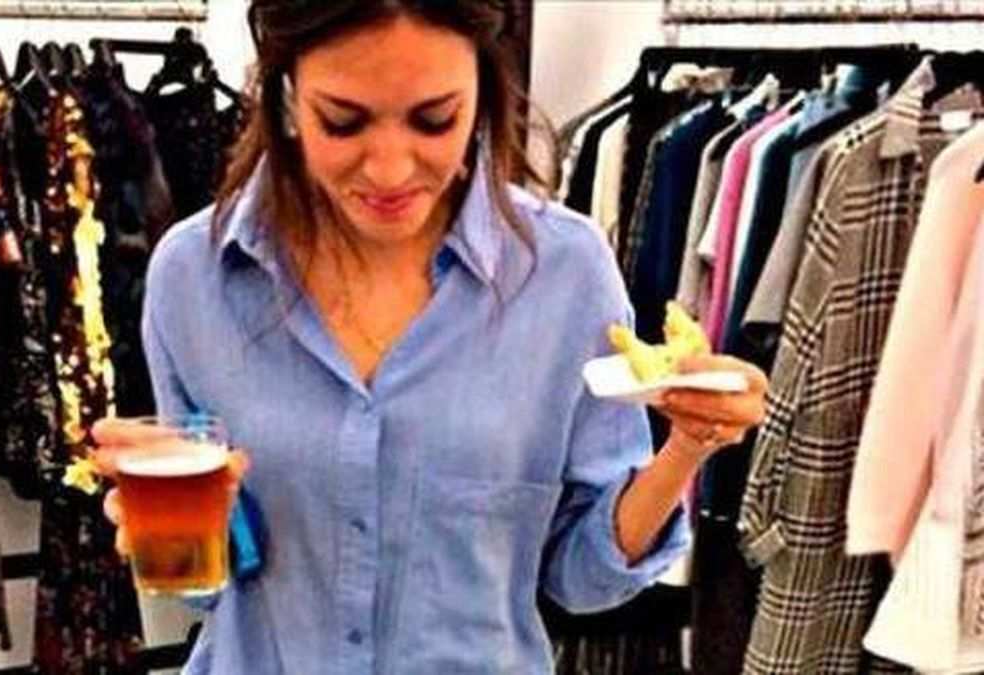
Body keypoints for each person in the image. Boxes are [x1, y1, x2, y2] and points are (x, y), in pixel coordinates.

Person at [97, 1, 768, 673]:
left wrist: (687, 444)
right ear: (286, 91)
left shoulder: (564, 273)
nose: (390, 170)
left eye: (435, 119)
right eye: (343, 121)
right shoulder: (196, 275)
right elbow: (205, 586)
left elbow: (582, 577)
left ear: (485, 89)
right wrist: (171, 523)